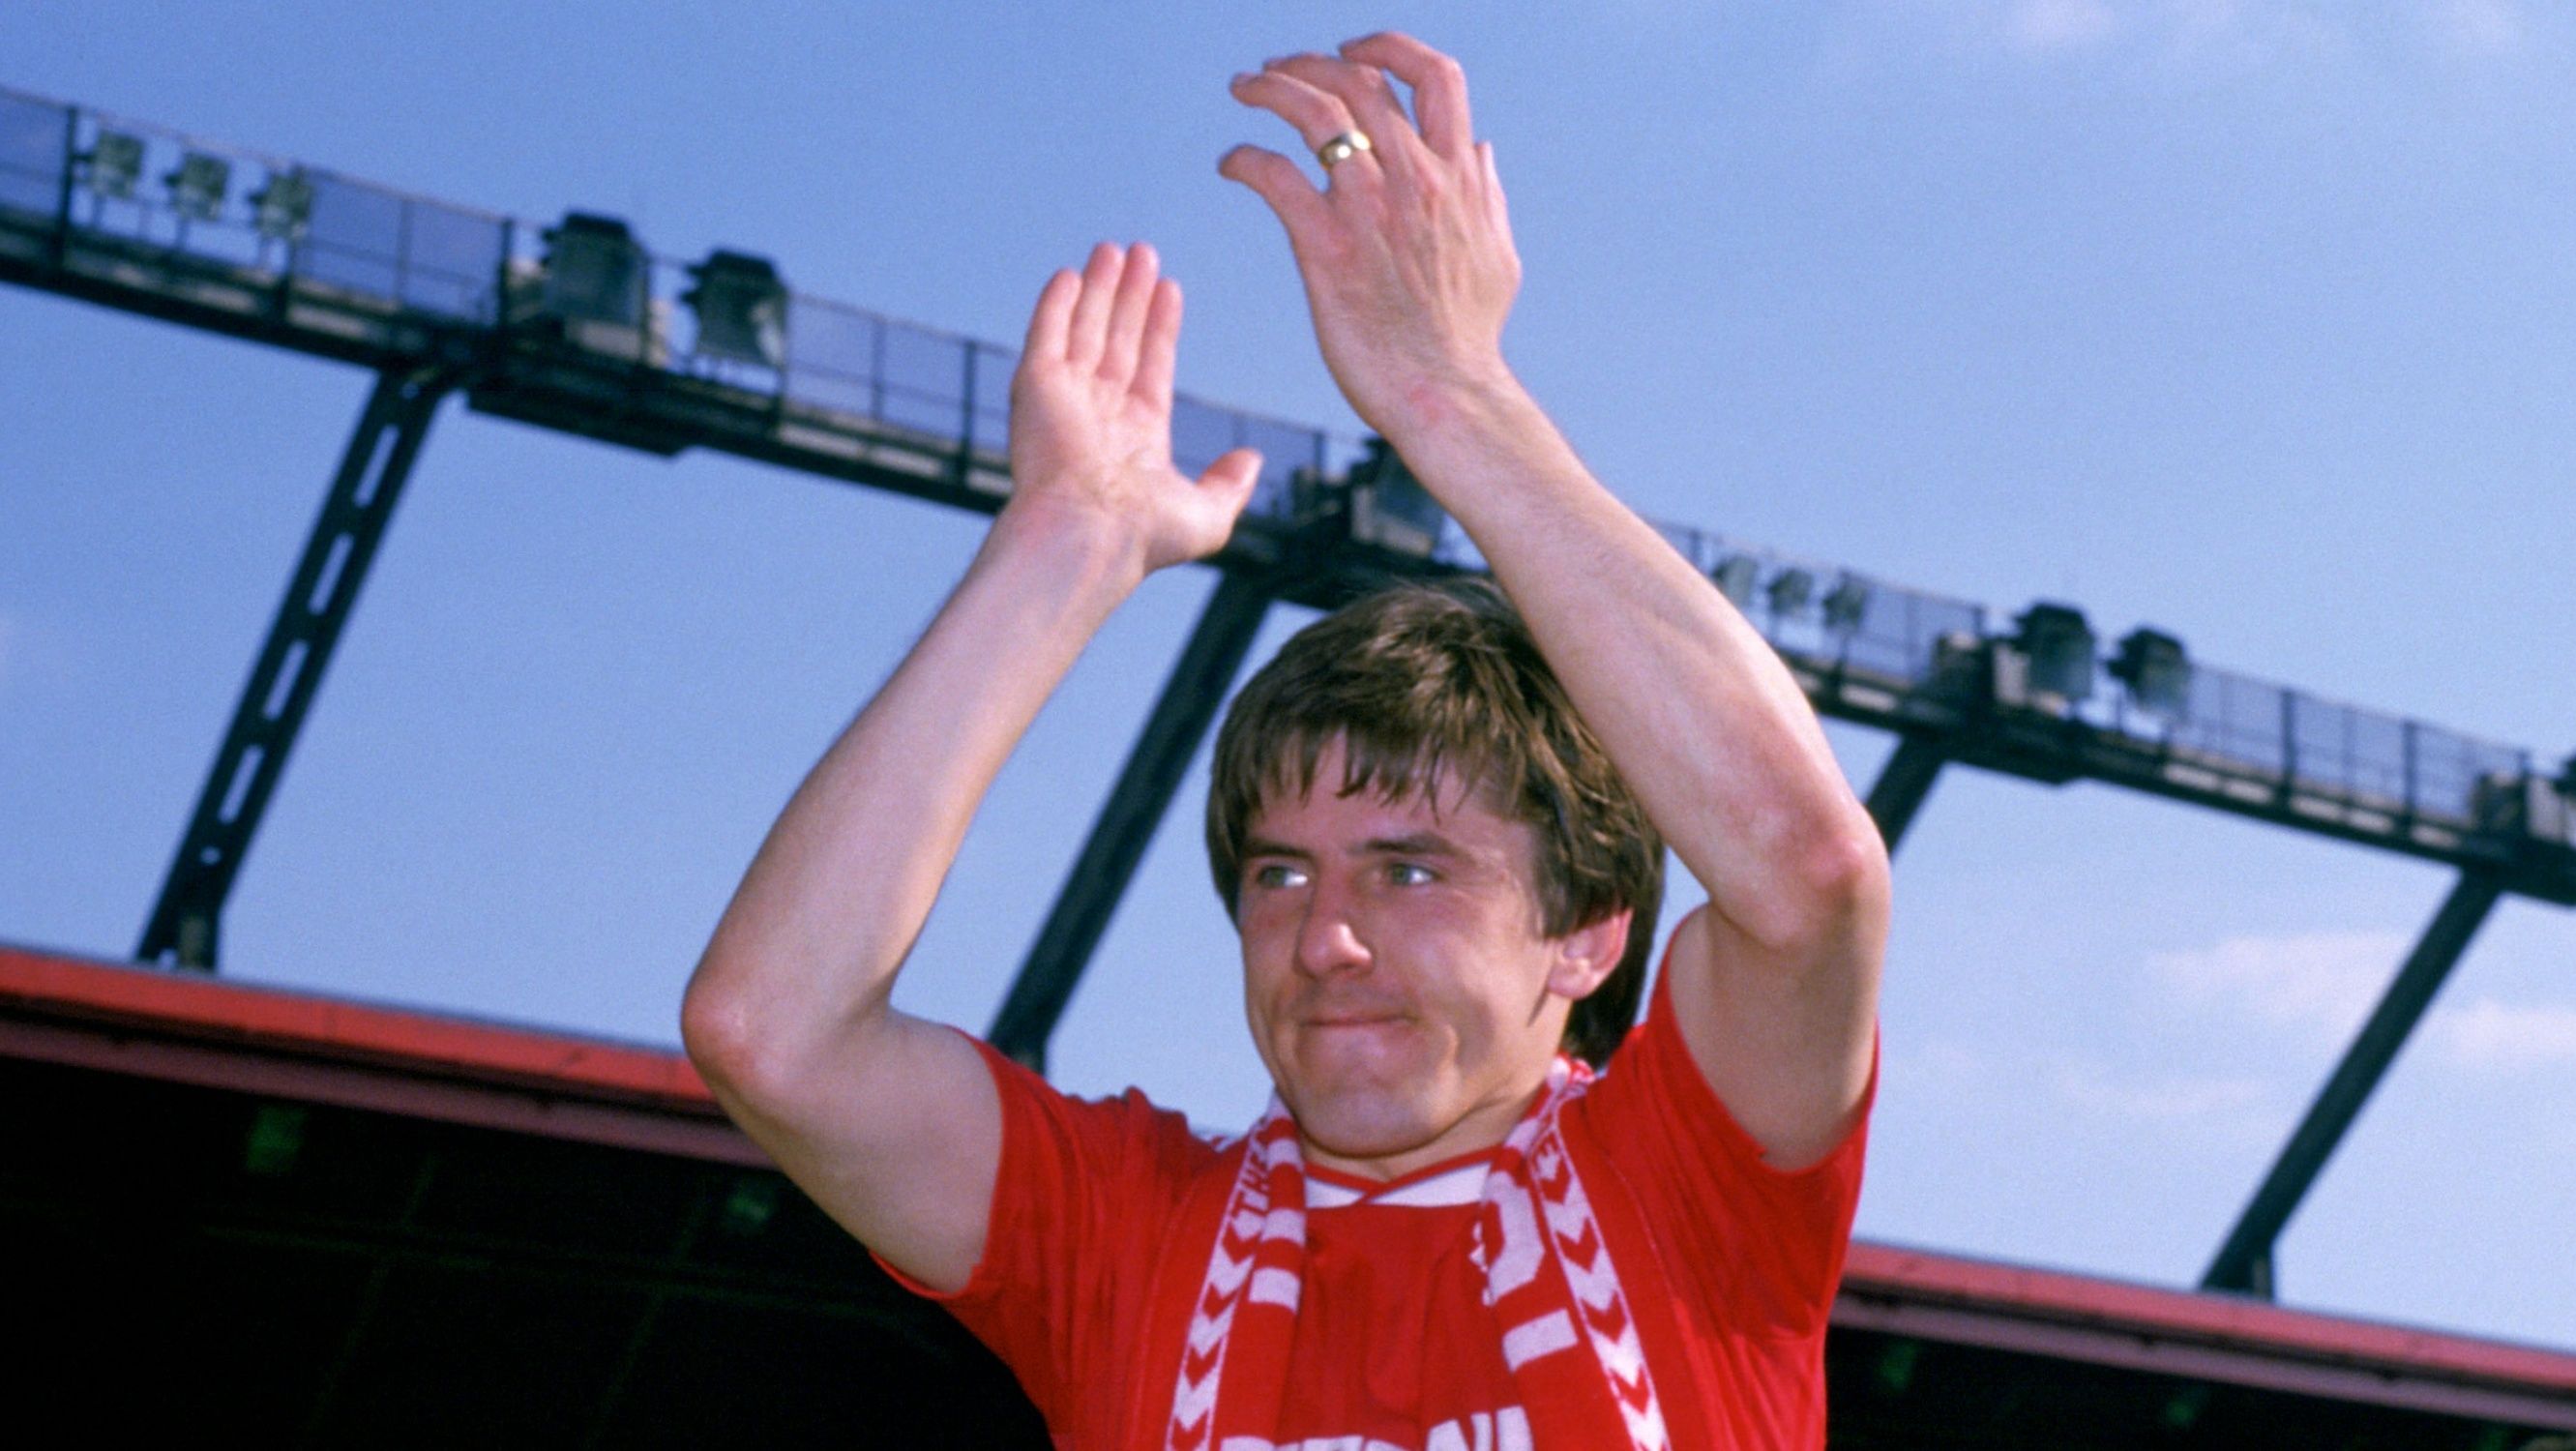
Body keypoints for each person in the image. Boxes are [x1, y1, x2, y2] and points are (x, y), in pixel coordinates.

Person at [681, 32, 1891, 1450]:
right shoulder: (1132, 1236)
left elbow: (1808, 875)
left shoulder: (1691, 1188)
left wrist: (1450, 392)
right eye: (1278, 875)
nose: (1325, 940)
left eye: (1412, 870)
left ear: (1588, 936)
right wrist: (1065, 541)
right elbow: (771, 1035)